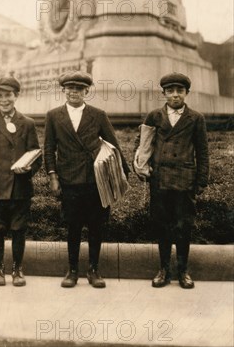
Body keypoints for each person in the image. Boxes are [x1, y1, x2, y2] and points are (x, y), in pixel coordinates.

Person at [44, 71, 130, 288]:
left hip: (95, 181)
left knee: (96, 226)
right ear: (63, 90)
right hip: (69, 180)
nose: (74, 92)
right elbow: (48, 149)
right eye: (70, 88)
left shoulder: (98, 115)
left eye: (79, 89)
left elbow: (113, 144)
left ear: (86, 91)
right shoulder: (54, 115)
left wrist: (122, 175)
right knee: (72, 227)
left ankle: (93, 269)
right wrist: (53, 176)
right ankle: (72, 271)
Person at [134, 72, 209, 289]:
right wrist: (140, 166)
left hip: (185, 180)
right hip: (160, 181)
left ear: (186, 93)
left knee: (183, 226)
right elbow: (142, 145)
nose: (175, 95)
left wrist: (201, 180)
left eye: (179, 91)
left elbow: (203, 152)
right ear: (164, 93)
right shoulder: (154, 116)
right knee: (162, 226)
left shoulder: (196, 118)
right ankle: (164, 269)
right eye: (170, 91)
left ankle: (183, 270)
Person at [0, 77, 42, 287]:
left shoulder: (28, 123)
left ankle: (17, 269)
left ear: (16, 96)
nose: (4, 100)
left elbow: (36, 154)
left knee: (18, 229)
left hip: (19, 187)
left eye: (8, 95)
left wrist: (30, 167)